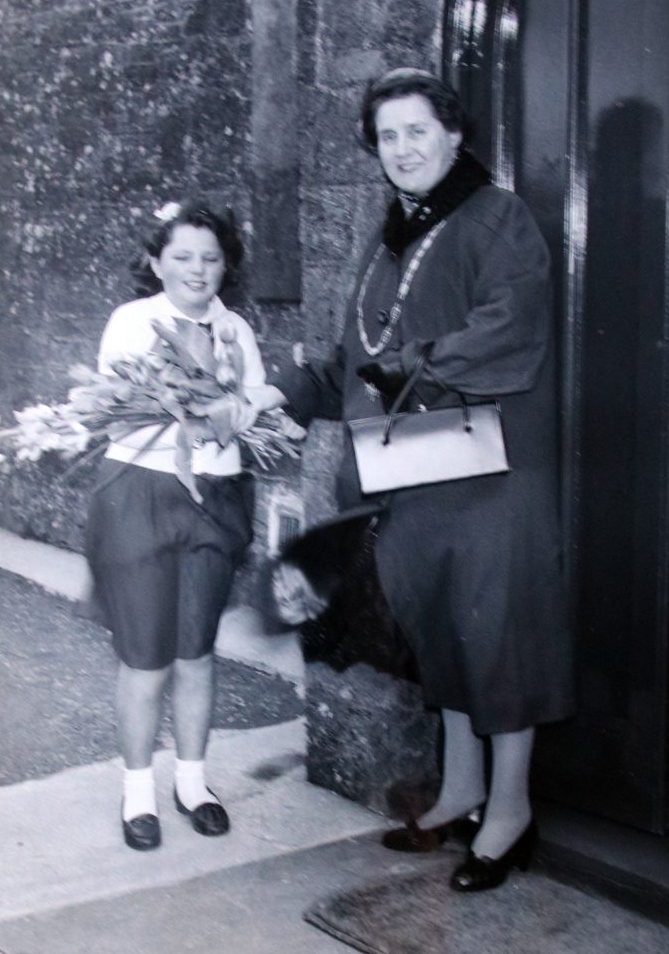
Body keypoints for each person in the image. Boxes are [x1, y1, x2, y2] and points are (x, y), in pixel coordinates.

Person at [244, 68, 574, 891]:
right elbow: (353, 354)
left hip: (489, 475)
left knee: (497, 640)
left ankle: (510, 812)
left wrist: (407, 368)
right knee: (443, 636)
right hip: (417, 477)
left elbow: (510, 325)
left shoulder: (497, 217)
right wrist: (281, 395)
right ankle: (461, 790)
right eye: (387, 137)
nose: (402, 149)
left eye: (416, 131)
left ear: (453, 133)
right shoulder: (390, 231)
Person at [85, 199, 265, 851]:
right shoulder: (132, 323)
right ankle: (138, 794)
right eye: (183, 256)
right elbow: (122, 408)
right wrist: (196, 401)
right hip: (140, 494)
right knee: (146, 659)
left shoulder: (237, 332)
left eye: (211, 258)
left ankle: (193, 783)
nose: (197, 270)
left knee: (196, 652)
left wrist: (236, 408)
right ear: (157, 262)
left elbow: (251, 416)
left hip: (213, 498)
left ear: (227, 267)